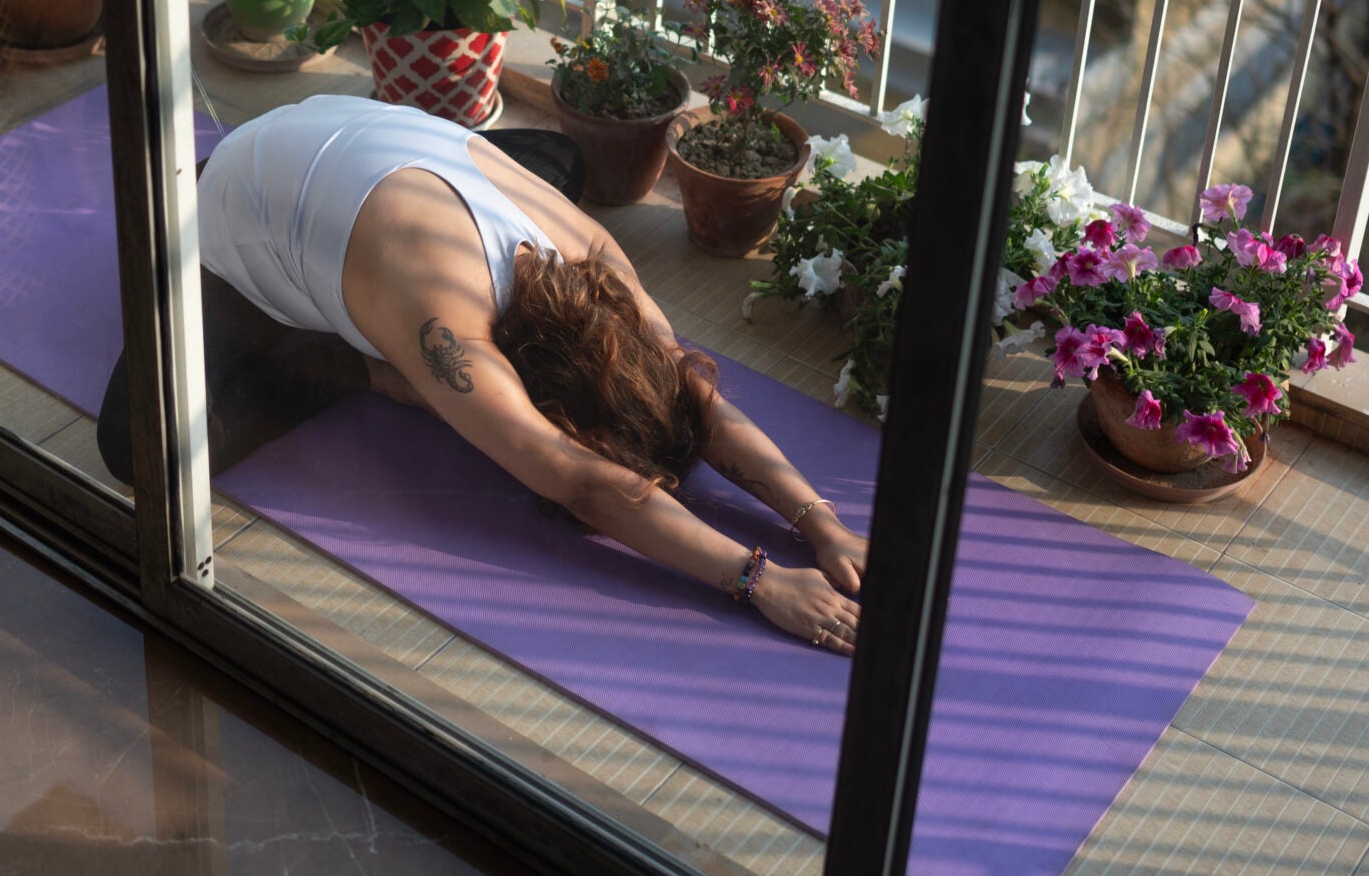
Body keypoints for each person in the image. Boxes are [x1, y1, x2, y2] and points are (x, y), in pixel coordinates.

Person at [96, 93, 866, 652]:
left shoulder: (600, 263)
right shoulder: (447, 330)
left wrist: (819, 521)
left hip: (334, 133)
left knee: (559, 160)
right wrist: (759, 580)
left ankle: (357, 313)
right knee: (134, 447)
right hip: (228, 206)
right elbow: (585, 481)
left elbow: (694, 392)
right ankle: (360, 369)